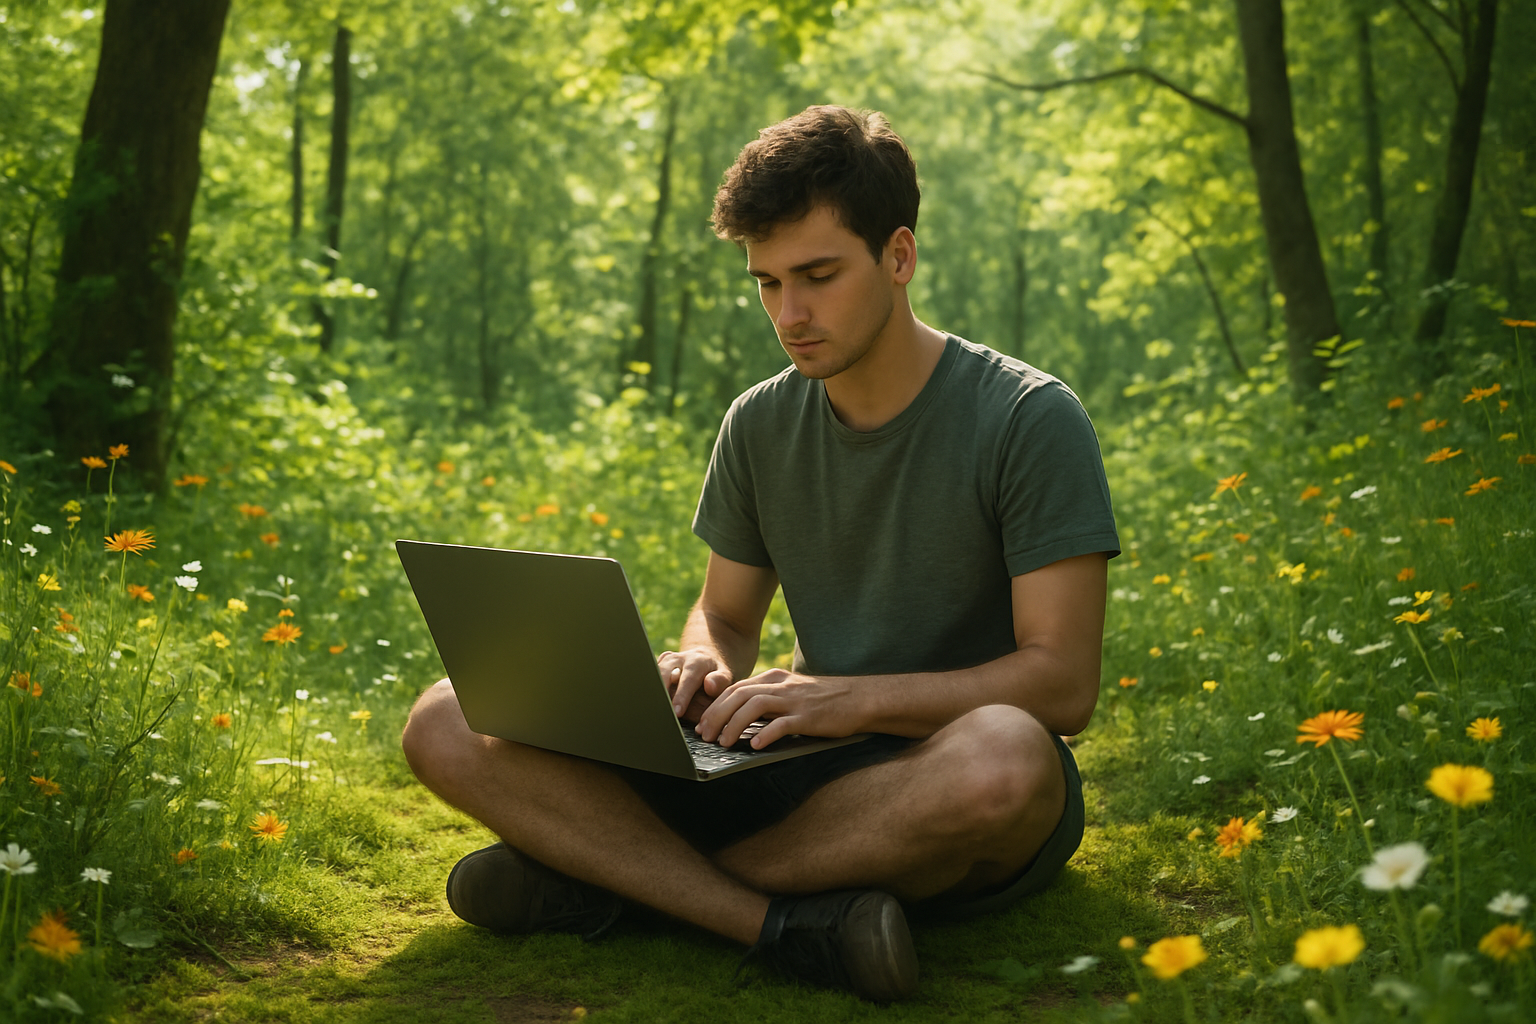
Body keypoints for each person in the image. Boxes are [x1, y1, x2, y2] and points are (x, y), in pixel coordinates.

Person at [401, 104, 1119, 1002]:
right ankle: (771, 923)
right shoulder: (760, 421)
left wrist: (847, 700)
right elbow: (727, 614)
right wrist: (700, 662)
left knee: (1007, 758)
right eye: (768, 283)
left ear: (899, 256)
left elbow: (1062, 685)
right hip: (791, 766)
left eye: (818, 276)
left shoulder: (1028, 418)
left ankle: (614, 882)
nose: (790, 313)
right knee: (446, 716)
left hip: (933, 767)